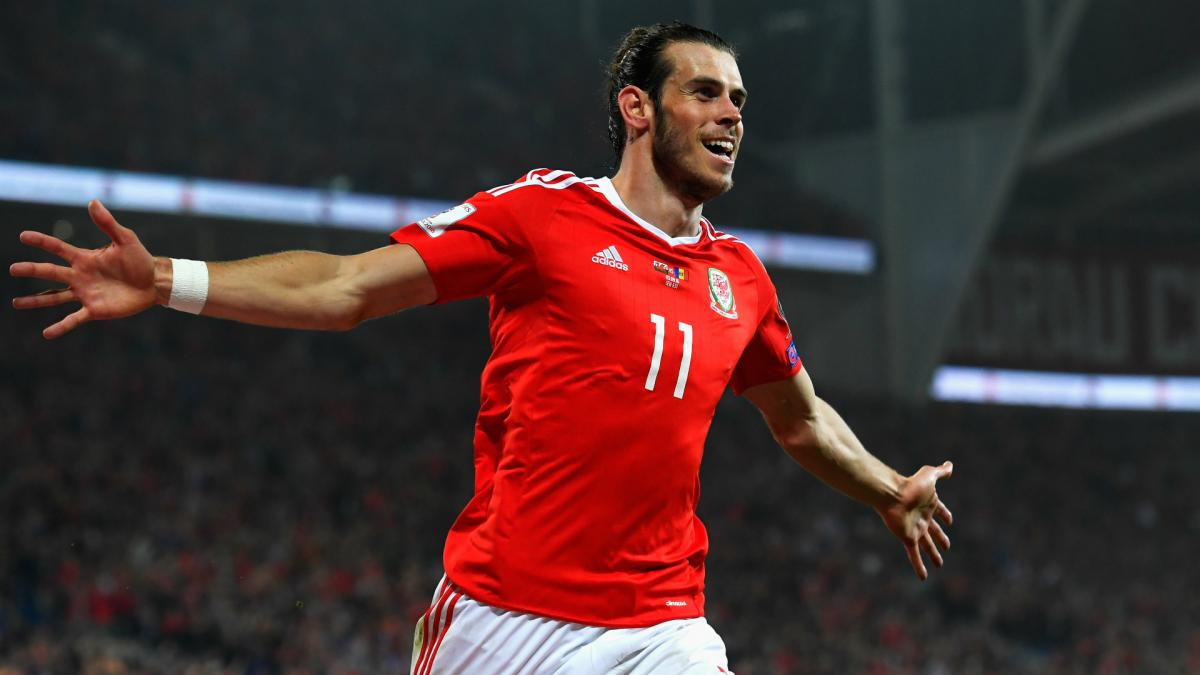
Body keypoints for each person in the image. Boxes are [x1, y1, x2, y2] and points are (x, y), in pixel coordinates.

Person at [10, 22, 953, 675]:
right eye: (705, 92)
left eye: (739, 99)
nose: (731, 113)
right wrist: (165, 278)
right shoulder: (542, 216)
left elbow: (801, 419)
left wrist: (886, 487)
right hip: (506, 617)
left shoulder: (741, 277)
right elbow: (346, 288)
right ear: (637, 107)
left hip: (661, 623)